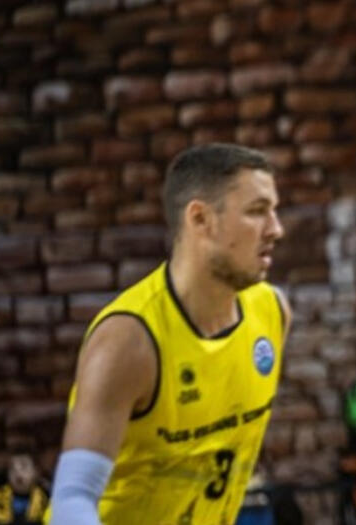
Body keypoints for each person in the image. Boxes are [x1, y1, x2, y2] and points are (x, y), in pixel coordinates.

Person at [48, 144, 289, 525]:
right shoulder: (129, 340)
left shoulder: (272, 313)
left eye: (273, 211)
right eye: (257, 212)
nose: (276, 229)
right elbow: (72, 499)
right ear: (200, 219)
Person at [0, 455, 45, 525]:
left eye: (23, 467)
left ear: (36, 471)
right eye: (12, 469)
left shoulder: (45, 497)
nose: (17, 473)